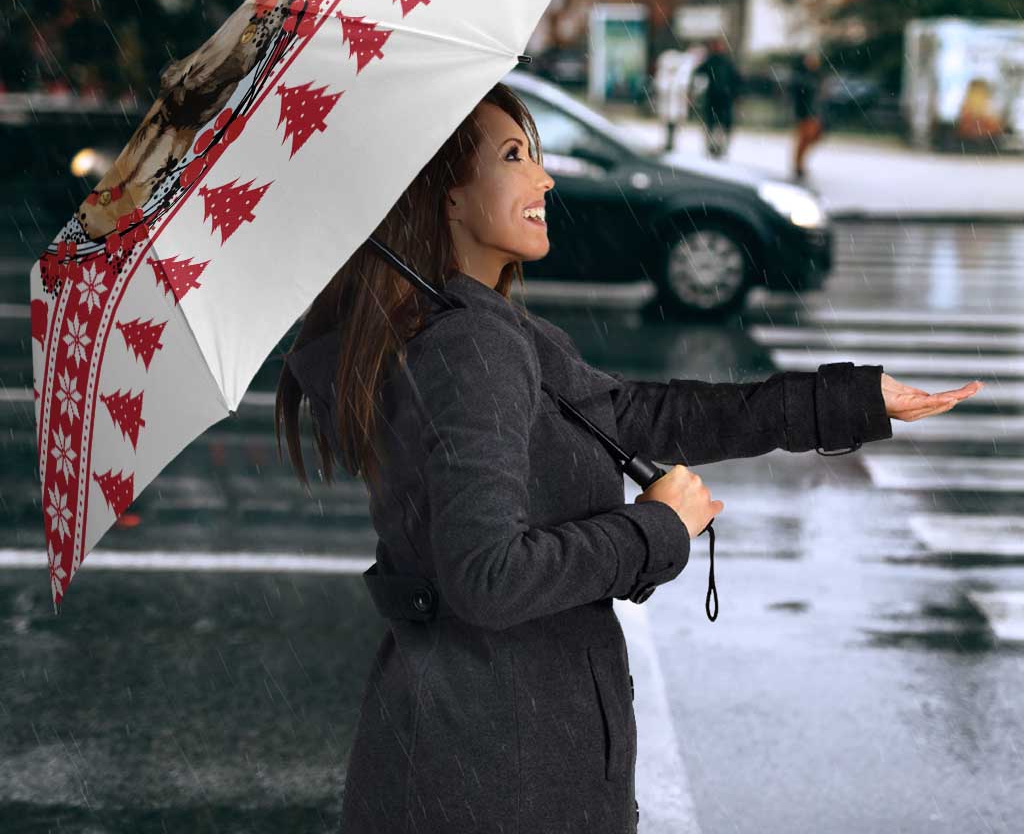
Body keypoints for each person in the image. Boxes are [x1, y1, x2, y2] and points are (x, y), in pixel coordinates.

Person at [274, 81, 938, 834]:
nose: (545, 177)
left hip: (463, 748)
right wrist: (655, 530)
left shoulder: (466, 330)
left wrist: (849, 401)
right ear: (447, 197)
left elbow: (639, 415)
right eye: (515, 156)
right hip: (502, 769)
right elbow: (487, 577)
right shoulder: (472, 346)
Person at [692, 36, 742, 159]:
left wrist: (735, 94)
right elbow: (698, 74)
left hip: (723, 98)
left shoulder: (725, 62)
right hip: (715, 98)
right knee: (713, 124)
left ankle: (719, 147)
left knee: (720, 125)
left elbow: (736, 80)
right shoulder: (712, 61)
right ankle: (713, 147)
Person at [790, 49, 826, 181]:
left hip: (814, 113)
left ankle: (800, 164)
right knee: (804, 139)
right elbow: (799, 96)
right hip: (805, 113)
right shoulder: (802, 77)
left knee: (812, 138)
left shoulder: (817, 76)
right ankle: (798, 165)